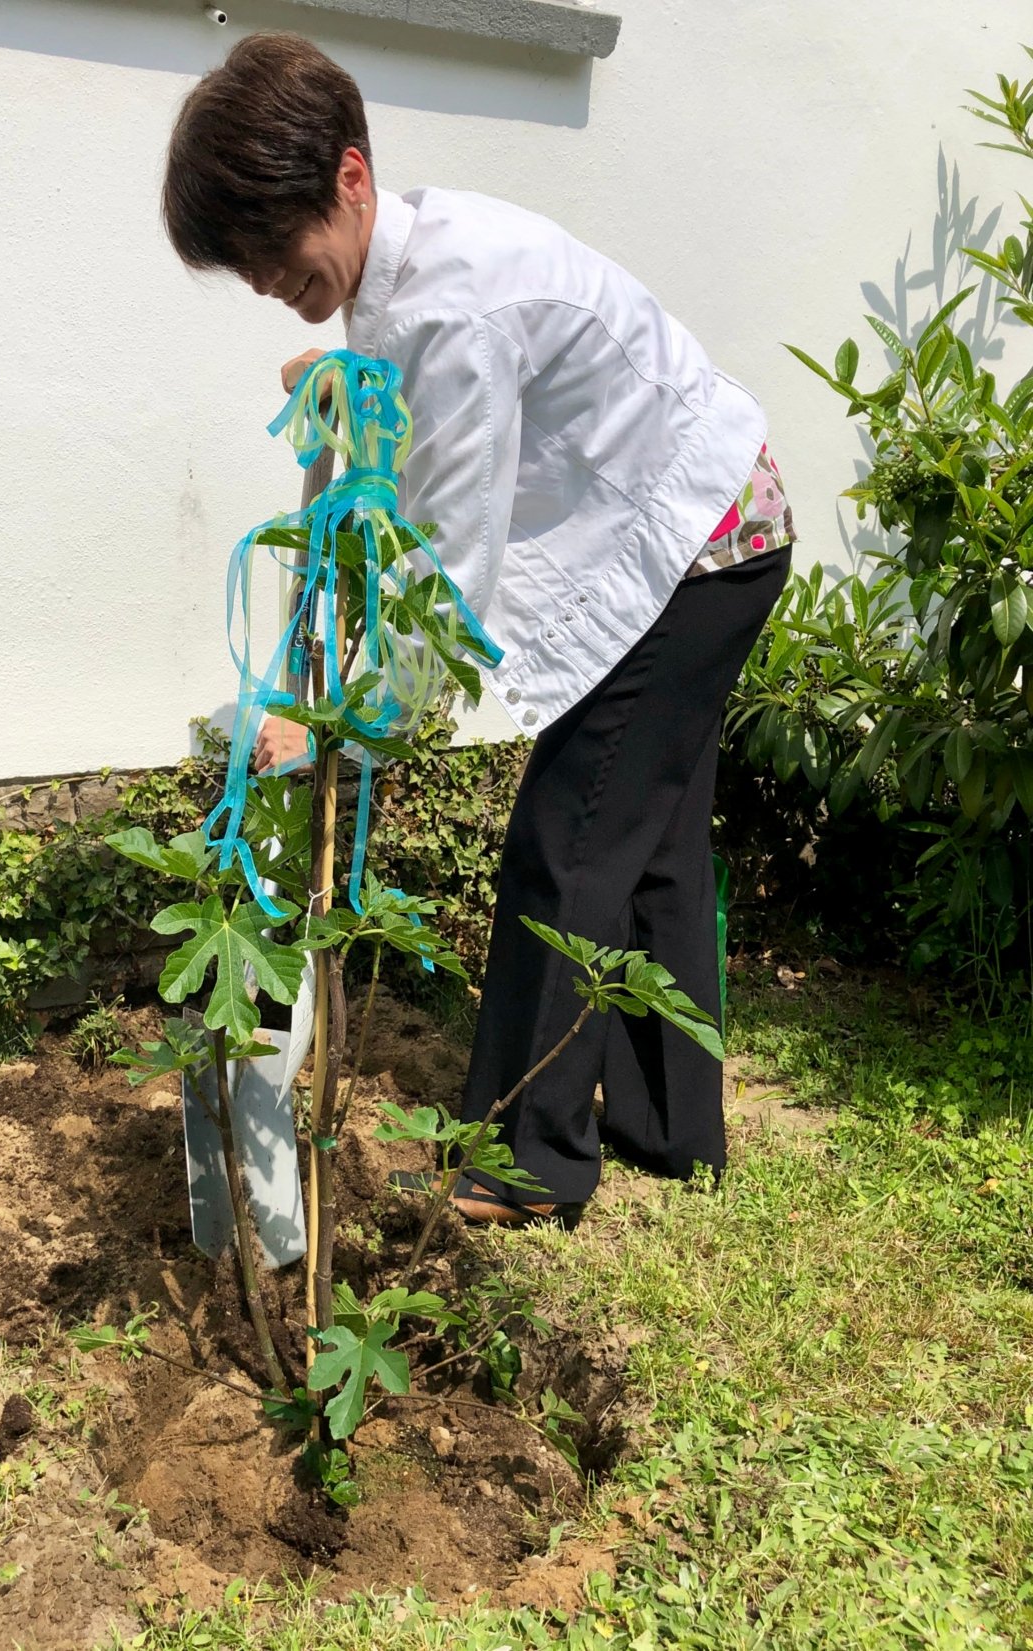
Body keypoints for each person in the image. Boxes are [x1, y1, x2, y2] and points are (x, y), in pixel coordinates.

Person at [161, 32, 795, 1227]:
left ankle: (529, 1161)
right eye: (244, 267)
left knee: (570, 843)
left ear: (350, 177)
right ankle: (671, 1132)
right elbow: (412, 410)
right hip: (714, 515)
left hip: (698, 547)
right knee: (651, 845)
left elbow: (442, 575)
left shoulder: (453, 307)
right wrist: (343, 375)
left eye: (271, 251)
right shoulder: (402, 274)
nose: (263, 281)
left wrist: (344, 727)